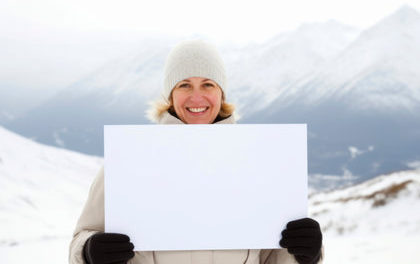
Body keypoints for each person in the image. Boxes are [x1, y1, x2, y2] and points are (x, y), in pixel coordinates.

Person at [69, 40, 323, 264]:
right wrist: (90, 253)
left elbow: (272, 256)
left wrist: (303, 254)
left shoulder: (258, 160)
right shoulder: (129, 159)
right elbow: (80, 240)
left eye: (208, 84)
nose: (197, 97)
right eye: (185, 85)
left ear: (221, 93)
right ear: (170, 94)